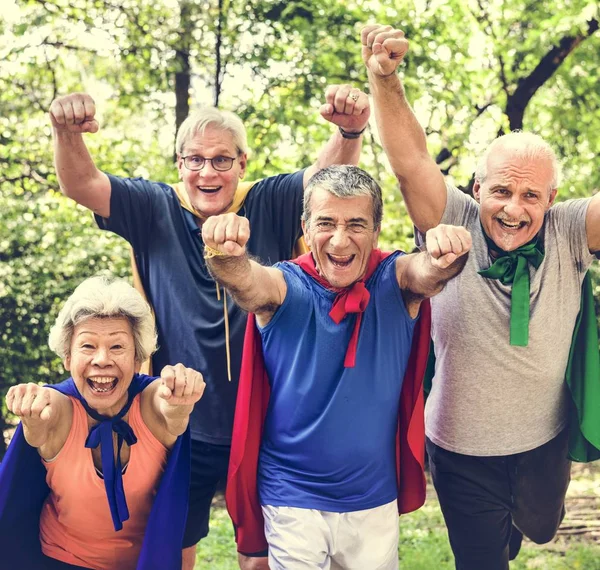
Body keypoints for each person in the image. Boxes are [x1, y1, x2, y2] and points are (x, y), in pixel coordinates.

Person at [48, 85, 370, 569]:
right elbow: (82, 184)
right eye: (195, 159)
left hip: (267, 418)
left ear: (242, 163)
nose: (207, 171)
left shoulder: (267, 200)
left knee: (262, 555)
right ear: (179, 164)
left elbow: (325, 180)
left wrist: (349, 129)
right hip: (179, 418)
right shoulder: (153, 206)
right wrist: (66, 132)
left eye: (222, 160)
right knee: (172, 550)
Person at [362, 23, 600, 570]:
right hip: (460, 446)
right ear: (476, 188)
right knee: (481, 560)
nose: (513, 209)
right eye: (500, 190)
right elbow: (410, 161)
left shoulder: (566, 231)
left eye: (529, 195)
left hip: (543, 439)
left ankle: (514, 528)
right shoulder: (454, 219)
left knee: (539, 529)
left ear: (552, 198)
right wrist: (385, 78)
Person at [202, 164, 471, 569]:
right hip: (292, 498)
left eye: (357, 224)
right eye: (326, 223)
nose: (340, 240)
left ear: (376, 231)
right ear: (306, 230)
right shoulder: (285, 283)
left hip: (372, 499)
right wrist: (225, 254)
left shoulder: (393, 278)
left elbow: (427, 273)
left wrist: (445, 255)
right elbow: (245, 281)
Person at [0, 275, 205, 570]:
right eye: (87, 346)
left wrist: (182, 393)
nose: (102, 359)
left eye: (117, 347)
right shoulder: (56, 405)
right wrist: (30, 415)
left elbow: (171, 411)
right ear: (67, 358)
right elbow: (38, 430)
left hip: (141, 563)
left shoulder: (153, 402)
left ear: (138, 359)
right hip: (58, 559)